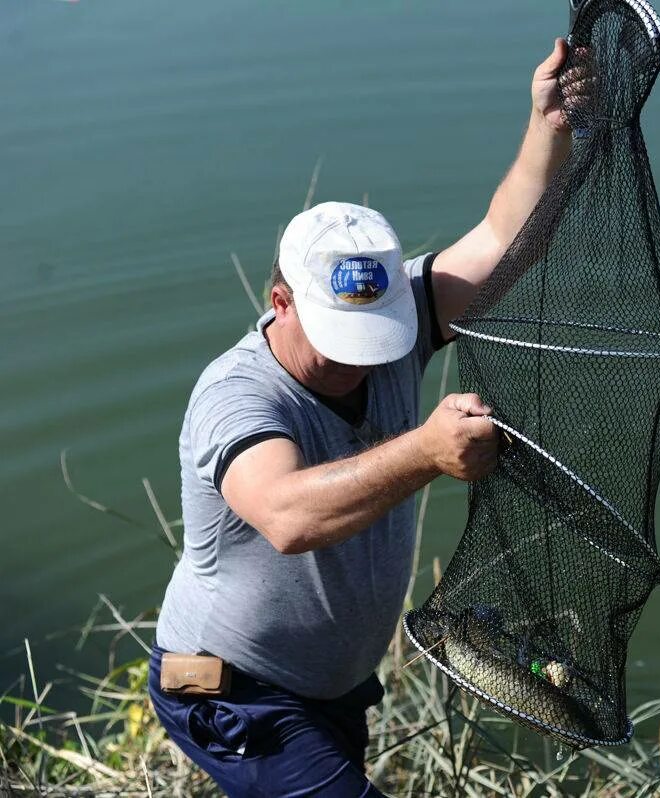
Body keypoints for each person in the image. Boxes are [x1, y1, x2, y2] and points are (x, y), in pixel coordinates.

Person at [149, 39, 588, 797]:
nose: (363, 361)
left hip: (331, 688)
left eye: (374, 335)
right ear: (280, 301)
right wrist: (425, 451)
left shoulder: (398, 321)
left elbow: (503, 241)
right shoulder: (236, 396)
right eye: (340, 340)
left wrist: (547, 125)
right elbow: (287, 516)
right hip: (236, 694)